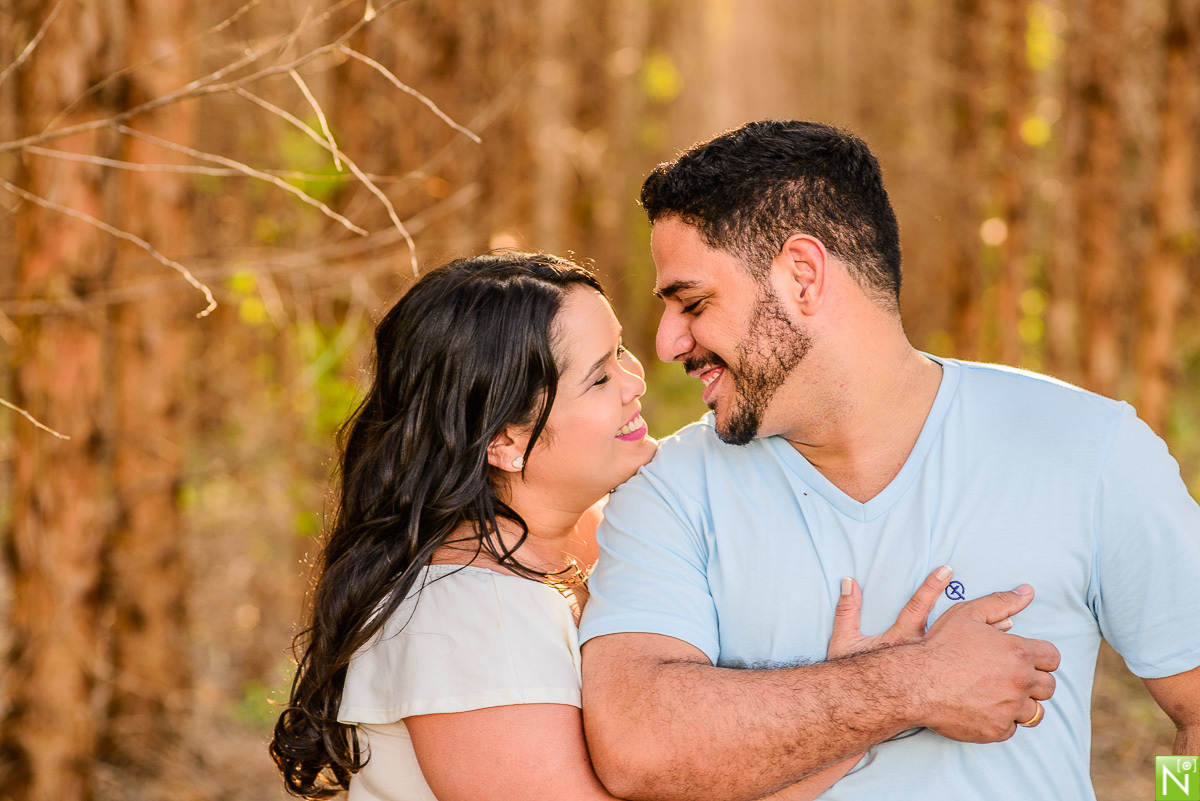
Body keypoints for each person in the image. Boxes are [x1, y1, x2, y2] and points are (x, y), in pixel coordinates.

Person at [579, 120, 1200, 801]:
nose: (668, 341)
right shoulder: (667, 492)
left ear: (803, 276)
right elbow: (637, 745)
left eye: (693, 303)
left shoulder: (1090, 447)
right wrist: (917, 683)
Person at [269, 252, 898, 800]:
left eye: (620, 349)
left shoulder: (605, 534)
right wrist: (847, 721)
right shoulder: (469, 611)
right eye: (598, 377)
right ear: (504, 438)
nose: (635, 381)